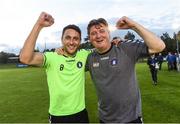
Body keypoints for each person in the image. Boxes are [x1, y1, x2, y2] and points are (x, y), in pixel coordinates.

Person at [86, 17, 165, 123]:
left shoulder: (125, 48)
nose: (98, 35)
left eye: (102, 31)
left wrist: (134, 26)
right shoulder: (89, 58)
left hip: (131, 119)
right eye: (94, 33)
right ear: (89, 38)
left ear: (109, 33)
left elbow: (159, 46)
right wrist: (61, 50)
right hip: (105, 120)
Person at [19, 12, 89, 123]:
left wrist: (117, 41)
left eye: (76, 38)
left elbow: (104, 50)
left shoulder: (84, 55)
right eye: (68, 38)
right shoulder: (52, 57)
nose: (71, 42)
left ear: (80, 41)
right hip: (58, 116)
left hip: (81, 114)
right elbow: (25, 58)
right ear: (62, 39)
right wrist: (39, 25)